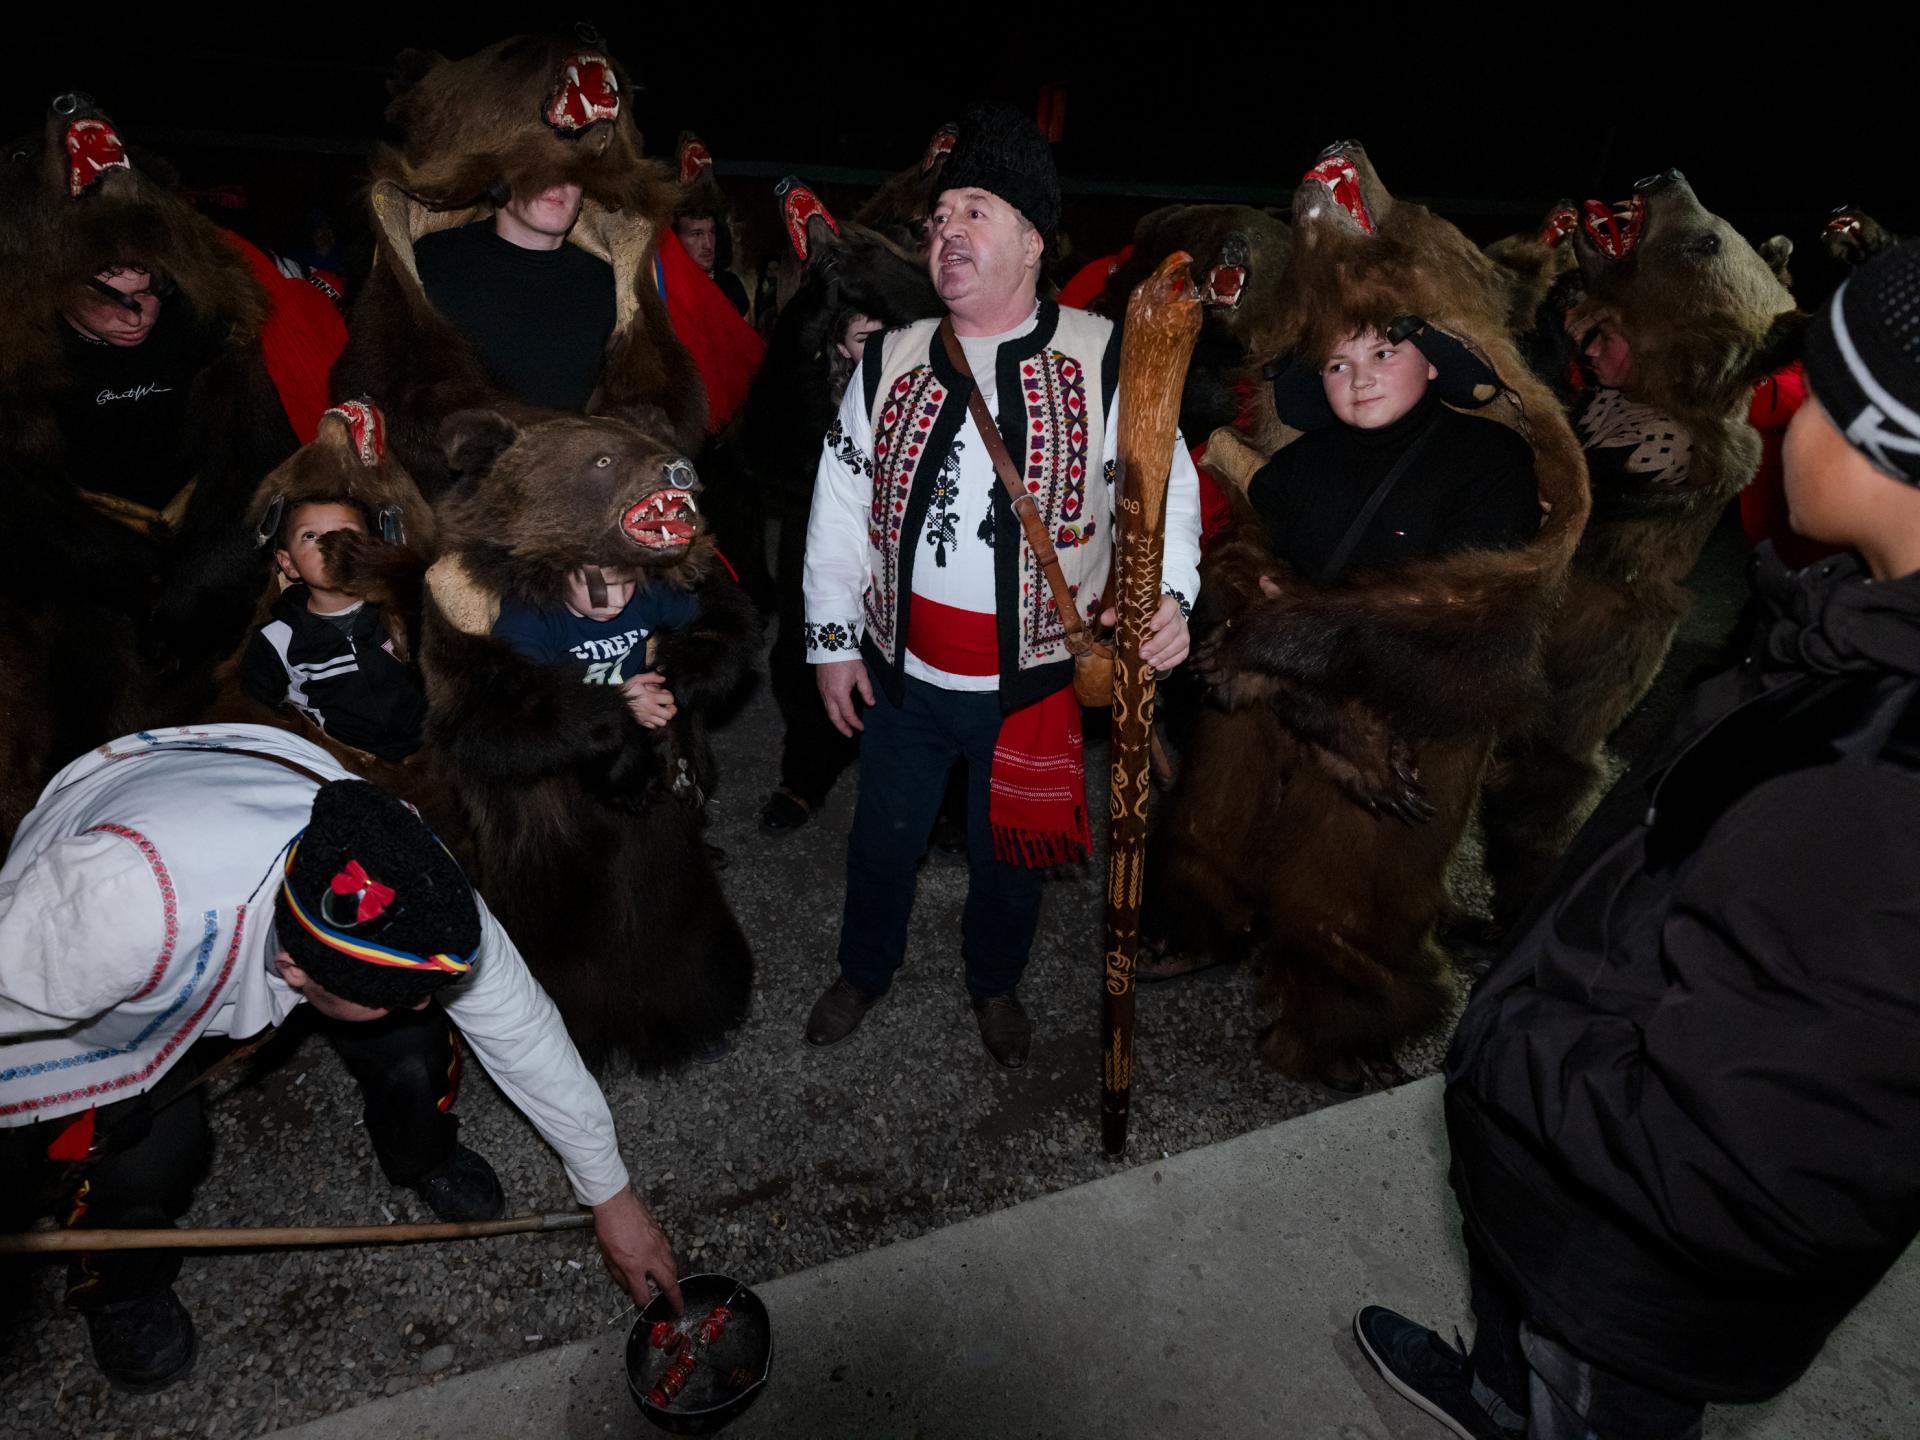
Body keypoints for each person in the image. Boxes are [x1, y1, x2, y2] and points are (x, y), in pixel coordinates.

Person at [1355, 239, 1920, 1439]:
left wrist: (1527, 1052)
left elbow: (1765, 1158)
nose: (1792, 416)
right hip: (1584, 1178)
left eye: (1821, 392)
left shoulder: (1878, 784)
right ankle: (1500, 1389)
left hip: (1626, 1261)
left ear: (1894, 453)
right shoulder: (1857, 646)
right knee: (1531, 1349)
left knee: (1591, 1405)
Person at [0, 726, 681, 1392]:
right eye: (394, 994)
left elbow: (519, 1024)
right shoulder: (94, 915)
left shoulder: (398, 862)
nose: (426, 1000)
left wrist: (611, 1193)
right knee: (141, 1146)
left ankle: (422, 1154)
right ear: (294, 969)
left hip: (250, 821)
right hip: (121, 957)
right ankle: (120, 1284)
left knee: (416, 1045)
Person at [799, 101, 1202, 1068]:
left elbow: (1170, 493)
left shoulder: (1109, 359)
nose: (947, 234)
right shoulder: (891, 356)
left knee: (1010, 855)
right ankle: (864, 969)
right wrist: (829, 642)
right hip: (902, 672)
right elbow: (840, 504)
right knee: (882, 842)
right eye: (939, 219)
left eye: (973, 211)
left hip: (1033, 682)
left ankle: (994, 983)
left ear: (1031, 234)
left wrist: (1174, 599)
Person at [238, 499, 428, 762]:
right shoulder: (276, 641)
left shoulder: (402, 612)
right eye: (310, 535)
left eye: (347, 533)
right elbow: (258, 713)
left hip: (429, 755)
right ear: (288, 563)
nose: (330, 544)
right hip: (344, 765)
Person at [413, 180, 615, 411]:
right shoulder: (432, 261)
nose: (557, 181)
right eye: (537, 163)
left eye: (571, 171)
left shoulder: (611, 285)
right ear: (500, 178)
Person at [491, 563, 700, 734]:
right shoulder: (530, 615)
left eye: (629, 582)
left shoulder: (647, 592)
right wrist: (619, 700)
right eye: (603, 588)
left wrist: (670, 679)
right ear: (558, 574)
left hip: (637, 704)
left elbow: (708, 624)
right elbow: (516, 704)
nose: (619, 601)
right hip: (570, 725)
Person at [674, 210, 751, 318]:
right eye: (697, 234)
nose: (708, 245)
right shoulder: (665, 290)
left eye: (712, 232)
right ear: (676, 240)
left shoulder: (731, 285)